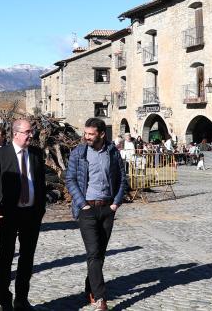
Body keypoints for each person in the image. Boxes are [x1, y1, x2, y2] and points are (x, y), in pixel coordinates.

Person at [65, 118, 128, 311]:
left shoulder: (112, 152)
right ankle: (100, 298)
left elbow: (122, 178)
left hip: (107, 209)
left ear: (101, 134)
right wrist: (82, 204)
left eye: (91, 134)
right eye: (85, 133)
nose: (87, 137)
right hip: (87, 210)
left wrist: (116, 203)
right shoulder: (79, 152)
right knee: (93, 252)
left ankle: (89, 287)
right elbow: (71, 179)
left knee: (99, 253)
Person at [0, 119, 45, 310]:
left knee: (27, 258)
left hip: (31, 215)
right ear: (16, 134)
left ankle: (21, 299)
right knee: (6, 258)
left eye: (31, 132)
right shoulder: (0, 154)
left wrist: (40, 209)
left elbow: (41, 184)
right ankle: (5, 300)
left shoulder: (36, 154)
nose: (31, 135)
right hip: (8, 215)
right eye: (27, 132)